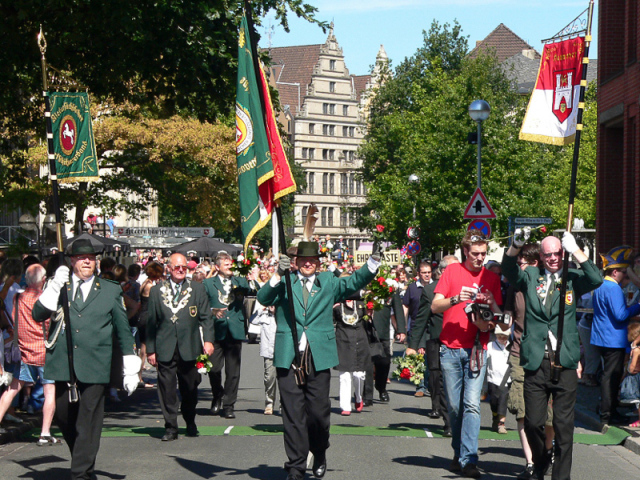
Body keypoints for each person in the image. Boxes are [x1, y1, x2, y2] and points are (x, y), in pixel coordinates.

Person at [257, 240, 379, 480]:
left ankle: (320, 451)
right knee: (292, 415)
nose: (308, 264)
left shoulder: (329, 283)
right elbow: (264, 296)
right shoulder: (285, 281)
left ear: (318, 263)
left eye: (312, 260)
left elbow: (354, 282)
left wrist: (373, 262)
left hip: (317, 356)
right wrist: (277, 274)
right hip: (288, 355)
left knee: (318, 415)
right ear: (296, 262)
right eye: (303, 260)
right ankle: (296, 465)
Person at [32, 239, 140, 479]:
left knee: (88, 421)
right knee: (63, 416)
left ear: (96, 262)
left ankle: (80, 473)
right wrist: (53, 286)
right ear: (72, 262)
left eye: (90, 258)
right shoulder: (60, 285)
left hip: (96, 362)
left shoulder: (110, 289)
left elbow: (122, 329)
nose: (87, 262)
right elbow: (37, 314)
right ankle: (84, 461)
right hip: (63, 362)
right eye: (81, 258)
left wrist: (130, 364)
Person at [502, 230, 602, 480]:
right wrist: (516, 245)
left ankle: (561, 477)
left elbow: (596, 278)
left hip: (564, 361)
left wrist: (577, 251)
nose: (554, 259)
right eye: (548, 254)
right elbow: (508, 270)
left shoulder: (571, 278)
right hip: (536, 362)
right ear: (541, 257)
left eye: (558, 253)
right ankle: (542, 458)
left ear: (562, 252)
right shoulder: (531, 276)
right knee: (534, 422)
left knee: (563, 427)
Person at [431, 231, 503, 478]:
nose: (480, 258)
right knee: (454, 406)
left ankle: (469, 459)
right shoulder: (451, 272)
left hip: (477, 348)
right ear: (465, 252)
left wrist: (490, 316)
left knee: (472, 404)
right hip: (450, 348)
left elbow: (498, 319)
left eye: (484, 254)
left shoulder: (491, 277)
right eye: (475, 254)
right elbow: (435, 305)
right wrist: (454, 299)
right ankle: (458, 451)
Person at [146, 253, 214, 441]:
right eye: (176, 267)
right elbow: (151, 322)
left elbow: (206, 317)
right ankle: (171, 426)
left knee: (190, 388)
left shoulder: (197, 289)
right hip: (165, 347)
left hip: (190, 346)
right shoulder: (156, 291)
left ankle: (190, 418)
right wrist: (150, 349)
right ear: (168, 268)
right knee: (166, 390)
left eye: (184, 267)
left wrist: (208, 340)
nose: (180, 270)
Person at [503, 243, 554, 479]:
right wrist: (491, 308)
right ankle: (531, 463)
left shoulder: (549, 286)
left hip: (547, 357)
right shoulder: (514, 288)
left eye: (522, 262)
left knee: (549, 417)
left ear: (535, 264)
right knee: (523, 413)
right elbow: (505, 322)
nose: (518, 266)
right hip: (519, 354)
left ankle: (547, 453)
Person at [0, 264, 61, 444]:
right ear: (43, 280)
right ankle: (45, 433)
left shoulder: (18, 297)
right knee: (49, 391)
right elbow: (52, 324)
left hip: (22, 350)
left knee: (11, 390)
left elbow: (13, 318)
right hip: (43, 351)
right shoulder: (45, 299)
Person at [407, 255, 459, 436]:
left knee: (456, 382)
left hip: (461, 341)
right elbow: (420, 320)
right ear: (443, 271)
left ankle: (457, 418)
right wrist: (412, 345)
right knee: (439, 380)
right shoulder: (430, 291)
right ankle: (448, 421)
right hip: (437, 340)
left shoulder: (466, 289)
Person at [203, 252, 258, 419]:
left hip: (234, 330)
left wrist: (253, 279)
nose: (230, 267)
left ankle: (229, 405)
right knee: (213, 368)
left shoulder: (240, 281)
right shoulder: (208, 283)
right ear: (217, 267)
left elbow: (257, 292)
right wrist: (213, 311)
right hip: (216, 330)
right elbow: (201, 305)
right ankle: (217, 395)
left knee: (233, 371)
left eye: (231, 264)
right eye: (226, 264)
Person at [591, 246, 640, 425]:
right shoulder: (613, 288)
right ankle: (607, 413)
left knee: (609, 375)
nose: (624, 276)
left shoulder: (601, 285)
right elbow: (620, 315)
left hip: (602, 336)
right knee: (611, 377)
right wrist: (638, 306)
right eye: (623, 272)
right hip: (613, 337)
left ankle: (608, 411)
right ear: (615, 271)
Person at [333, 288, 369, 416]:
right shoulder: (337, 303)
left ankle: (359, 397)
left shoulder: (361, 303)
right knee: (344, 376)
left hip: (360, 340)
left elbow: (369, 320)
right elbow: (330, 320)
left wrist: (371, 311)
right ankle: (345, 406)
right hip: (343, 341)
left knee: (359, 375)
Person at [486, 323, 511, 434]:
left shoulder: (511, 346)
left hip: (506, 380)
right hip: (492, 378)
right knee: (494, 402)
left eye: (504, 336)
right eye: (500, 335)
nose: (502, 338)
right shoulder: (491, 345)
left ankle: (501, 424)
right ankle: (495, 417)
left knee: (503, 401)